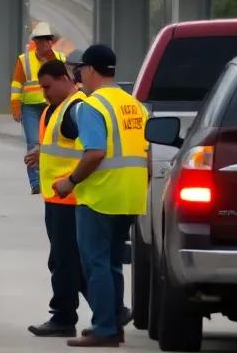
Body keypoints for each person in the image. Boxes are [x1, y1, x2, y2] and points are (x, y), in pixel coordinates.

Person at [51, 45, 148, 348]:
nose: (79, 73)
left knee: (95, 264)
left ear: (90, 70)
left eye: (81, 69)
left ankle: (104, 329)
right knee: (113, 263)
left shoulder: (93, 106)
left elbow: (95, 153)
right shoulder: (135, 105)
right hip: (131, 195)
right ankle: (114, 324)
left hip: (100, 195)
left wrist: (70, 181)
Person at [25, 58, 87, 338]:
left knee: (64, 261)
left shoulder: (76, 109)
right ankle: (111, 309)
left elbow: (92, 150)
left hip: (71, 197)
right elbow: (62, 146)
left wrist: (71, 180)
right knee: (70, 261)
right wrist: (42, 154)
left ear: (65, 79)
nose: (44, 93)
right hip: (56, 197)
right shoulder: (57, 108)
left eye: (47, 87)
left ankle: (63, 317)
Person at [11, 23, 67, 194]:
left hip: (53, 106)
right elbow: (17, 84)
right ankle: (35, 182)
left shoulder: (59, 58)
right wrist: (15, 105)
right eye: (42, 40)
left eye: (49, 40)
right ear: (35, 42)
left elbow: (67, 81)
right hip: (30, 108)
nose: (46, 43)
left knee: (53, 142)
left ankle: (50, 178)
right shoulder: (24, 60)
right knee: (33, 143)